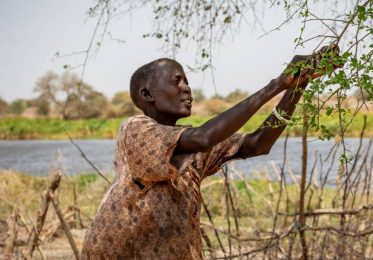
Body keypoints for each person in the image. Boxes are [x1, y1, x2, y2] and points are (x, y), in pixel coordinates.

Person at [81, 45, 340, 259]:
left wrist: (297, 85)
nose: (186, 88)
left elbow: (257, 144)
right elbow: (205, 137)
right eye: (176, 80)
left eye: (187, 81)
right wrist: (277, 85)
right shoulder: (136, 131)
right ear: (147, 94)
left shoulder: (186, 144)